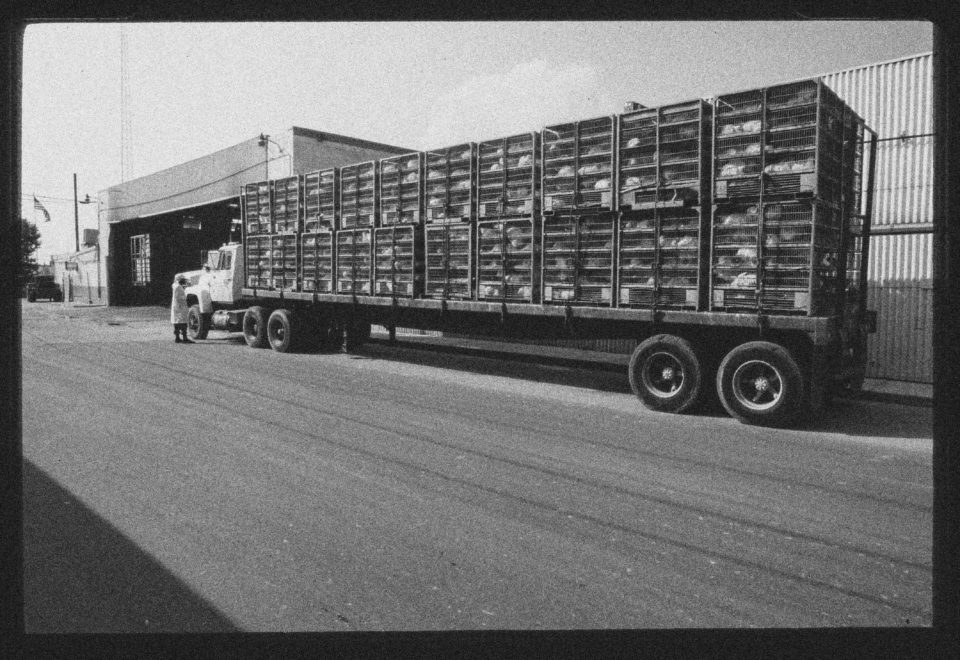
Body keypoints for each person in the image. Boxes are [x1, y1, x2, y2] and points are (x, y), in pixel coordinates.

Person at [170, 274, 192, 343]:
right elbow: (179, 297)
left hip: (176, 306)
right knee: (183, 322)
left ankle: (177, 338)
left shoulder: (175, 285)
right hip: (180, 306)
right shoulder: (178, 287)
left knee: (176, 323)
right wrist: (186, 298)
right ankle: (185, 338)